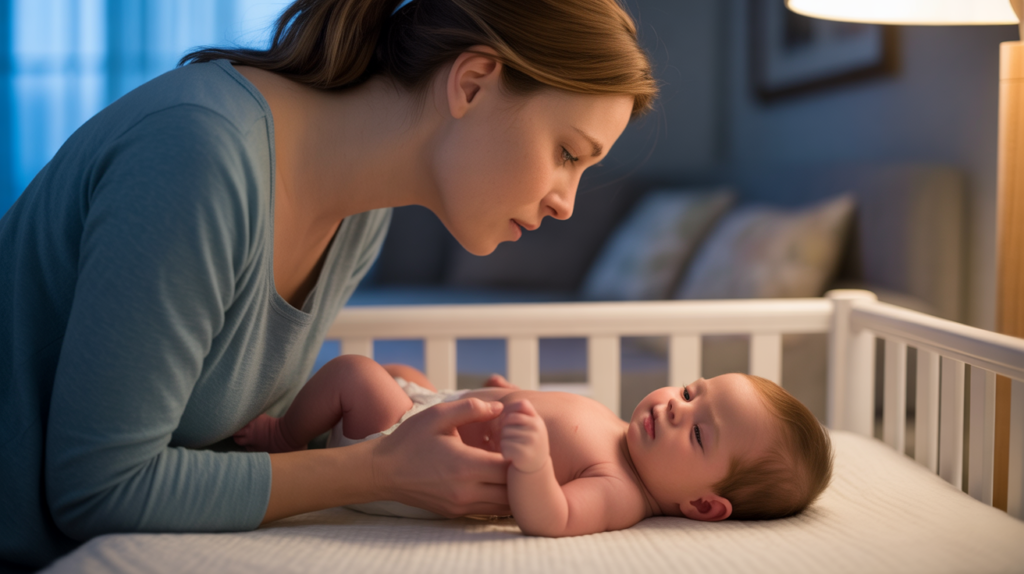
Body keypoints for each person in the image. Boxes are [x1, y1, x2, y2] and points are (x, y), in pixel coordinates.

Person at [0, 0, 658, 568]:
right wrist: (379, 469)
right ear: (475, 82)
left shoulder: (361, 214)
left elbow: (237, 441)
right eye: (568, 153)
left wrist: (399, 415)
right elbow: (97, 490)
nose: (567, 203)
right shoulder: (198, 156)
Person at [234, 355, 834, 536]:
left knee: (356, 374)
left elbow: (553, 517)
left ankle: (284, 439)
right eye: (688, 391)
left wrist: (534, 464)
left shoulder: (622, 490)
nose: (675, 407)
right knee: (400, 370)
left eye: (698, 431)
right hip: (429, 413)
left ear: (704, 504)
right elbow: (549, 409)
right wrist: (508, 391)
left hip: (411, 458)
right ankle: (318, 425)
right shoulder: (617, 430)